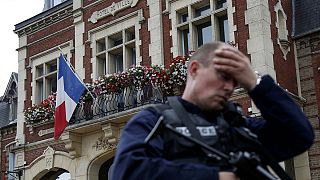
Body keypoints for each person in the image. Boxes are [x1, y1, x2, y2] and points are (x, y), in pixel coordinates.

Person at [111, 42, 314, 180]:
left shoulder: (238, 128)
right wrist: (216, 177)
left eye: (236, 81)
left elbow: (299, 135)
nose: (229, 87)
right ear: (194, 69)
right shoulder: (155, 120)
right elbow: (127, 171)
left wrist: (255, 83)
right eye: (223, 76)